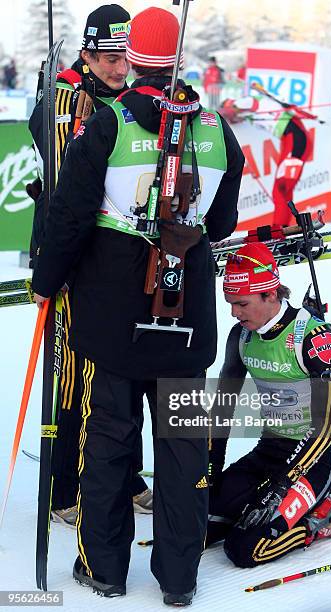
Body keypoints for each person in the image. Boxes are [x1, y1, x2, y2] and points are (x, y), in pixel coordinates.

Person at [31, 5, 244, 606]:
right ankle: (179, 581)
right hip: (185, 317)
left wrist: (46, 280)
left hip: (114, 317)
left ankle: (105, 571)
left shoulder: (110, 122)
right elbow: (223, 220)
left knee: (109, 445)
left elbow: (69, 216)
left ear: (134, 58)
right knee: (183, 453)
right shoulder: (216, 126)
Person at [28, 4, 152, 529]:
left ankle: (128, 474)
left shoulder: (130, 95)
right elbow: (64, 189)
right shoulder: (64, 96)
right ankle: (64, 485)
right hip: (77, 256)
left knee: (126, 368)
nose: (119, 68)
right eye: (107, 58)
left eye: (125, 57)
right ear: (86, 51)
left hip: (124, 257)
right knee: (76, 374)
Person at [206, 242, 331, 567]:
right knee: (203, 516)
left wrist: (284, 482)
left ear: (270, 295)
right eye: (230, 303)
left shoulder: (312, 339)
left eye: (241, 304)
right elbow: (223, 407)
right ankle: (258, 504)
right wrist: (211, 469)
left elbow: (326, 427)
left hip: (312, 461)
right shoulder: (241, 336)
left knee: (245, 549)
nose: (234, 312)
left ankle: (321, 519)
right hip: (270, 450)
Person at [218, 95, 313, 226]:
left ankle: (279, 228)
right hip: (291, 140)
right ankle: (283, 226)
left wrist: (223, 112)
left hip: (295, 139)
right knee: (283, 189)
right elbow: (235, 117)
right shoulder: (248, 114)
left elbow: (247, 103)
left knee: (281, 188)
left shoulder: (242, 102)